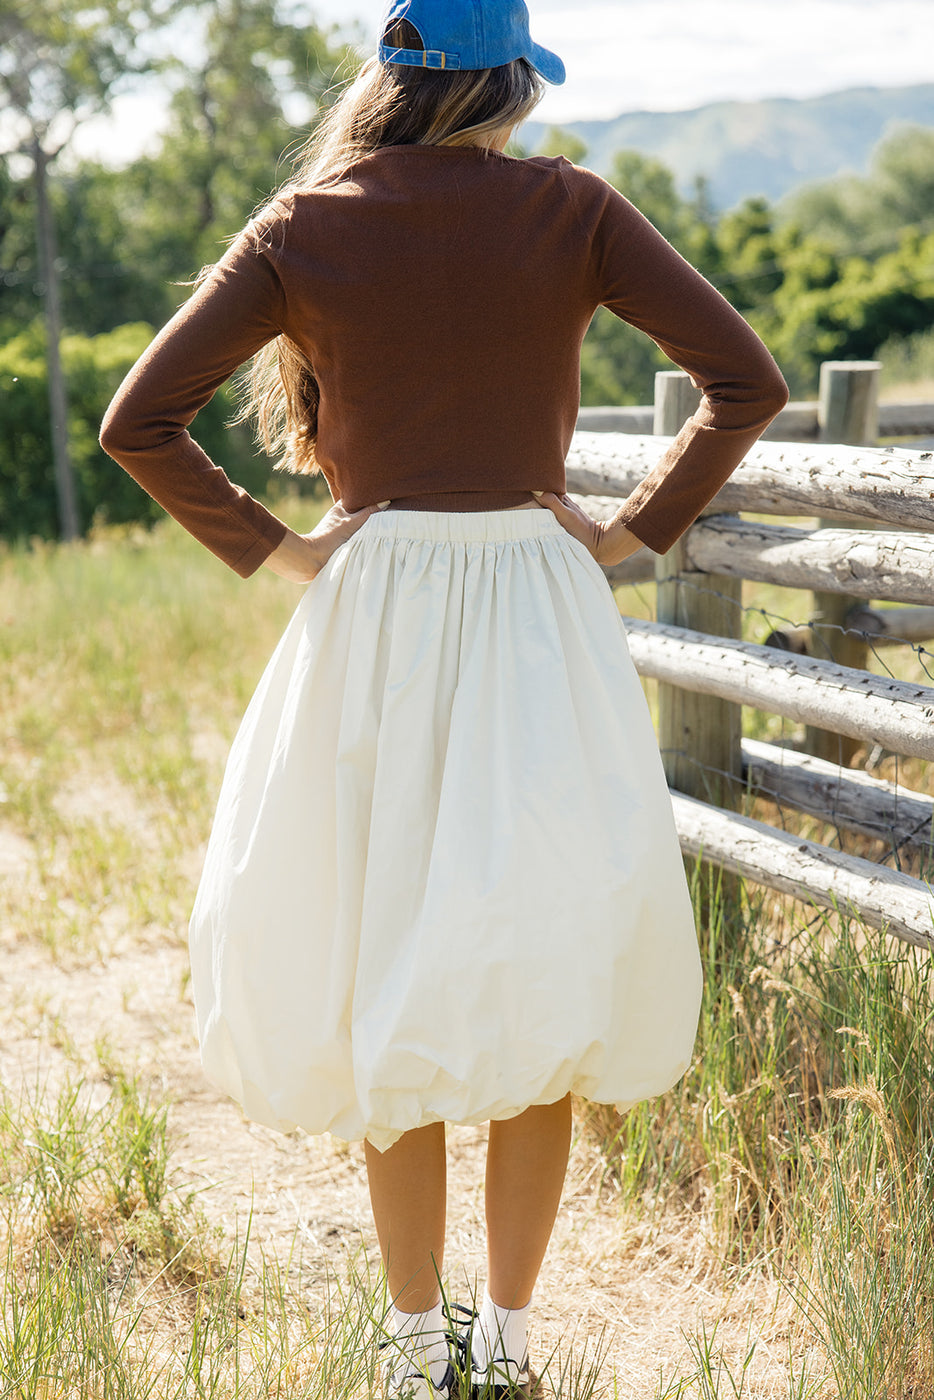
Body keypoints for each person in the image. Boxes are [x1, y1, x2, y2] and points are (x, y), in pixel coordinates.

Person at [100, 1, 788, 1395]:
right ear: (507, 86)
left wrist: (280, 548)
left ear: (394, 80)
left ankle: (418, 1352)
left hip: (374, 617)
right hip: (538, 611)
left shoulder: (305, 225)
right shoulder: (573, 211)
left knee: (383, 977)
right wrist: (628, 530)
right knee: (536, 972)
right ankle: (512, 1342)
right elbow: (745, 382)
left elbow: (136, 423)